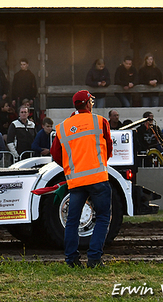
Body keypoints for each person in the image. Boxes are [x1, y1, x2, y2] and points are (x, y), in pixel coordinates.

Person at [51, 90, 113, 268]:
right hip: (98, 178)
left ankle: (71, 260)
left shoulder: (63, 127)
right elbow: (108, 148)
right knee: (102, 217)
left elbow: (56, 155)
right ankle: (94, 258)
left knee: (72, 220)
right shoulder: (100, 121)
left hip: (76, 181)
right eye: (91, 101)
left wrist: (72, 166)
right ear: (88, 104)